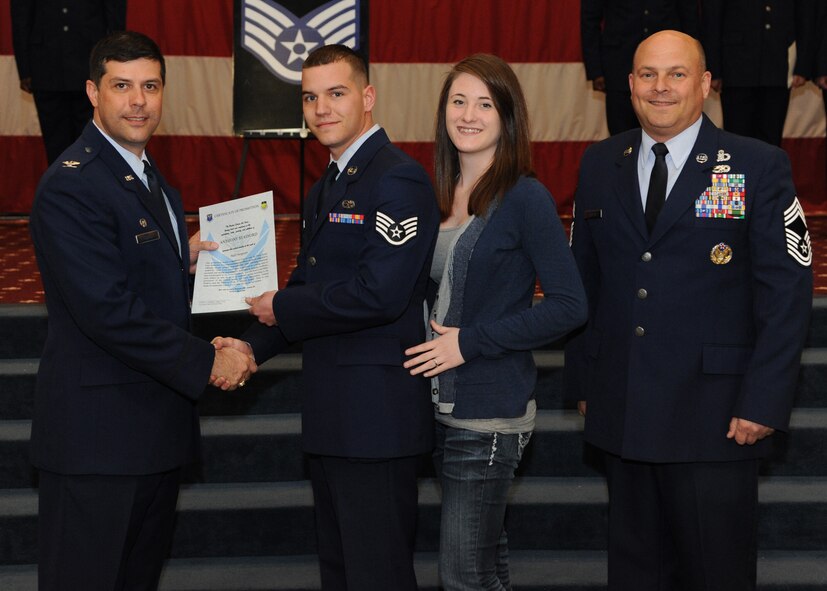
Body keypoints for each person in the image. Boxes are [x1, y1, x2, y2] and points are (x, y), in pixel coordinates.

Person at [564, 30, 812, 590]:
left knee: (715, 573)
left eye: (677, 74)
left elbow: (785, 295)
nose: (661, 87)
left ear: (704, 84)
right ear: (629, 85)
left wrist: (764, 400)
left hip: (717, 416)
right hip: (624, 407)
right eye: (647, 74)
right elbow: (585, 280)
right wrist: (585, 377)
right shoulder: (602, 161)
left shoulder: (756, 165)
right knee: (635, 574)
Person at [28, 31, 257, 591]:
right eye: (122, 86)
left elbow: (131, 268)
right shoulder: (71, 185)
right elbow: (107, 309)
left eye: (150, 86)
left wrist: (185, 255)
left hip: (151, 433)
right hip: (97, 443)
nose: (138, 101)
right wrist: (209, 360)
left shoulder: (150, 178)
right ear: (92, 92)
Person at [212, 45, 439, 590]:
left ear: (367, 97)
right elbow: (303, 289)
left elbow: (379, 295)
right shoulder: (326, 186)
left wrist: (283, 307)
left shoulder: (396, 178)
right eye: (310, 97)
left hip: (377, 419)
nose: (321, 109)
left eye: (336, 94)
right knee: (341, 573)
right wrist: (248, 348)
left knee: (377, 574)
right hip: (334, 413)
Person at [402, 54, 587, 590]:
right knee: (485, 568)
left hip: (487, 416)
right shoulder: (433, 194)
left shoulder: (525, 197)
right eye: (458, 102)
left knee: (462, 578)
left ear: (508, 117)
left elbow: (570, 304)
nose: (468, 114)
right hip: (436, 409)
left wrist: (472, 343)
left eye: (485, 104)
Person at [10, 0, 126, 164]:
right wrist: (24, 70)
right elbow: (20, 17)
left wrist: (114, 66)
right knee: (56, 146)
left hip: (90, 65)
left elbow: (115, 18)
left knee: (92, 144)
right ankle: (60, 189)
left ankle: (91, 189)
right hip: (46, 67)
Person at [581, 0, 699, 136]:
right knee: (621, 136)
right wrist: (595, 70)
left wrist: (693, 67)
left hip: (668, 66)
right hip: (618, 66)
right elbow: (589, 21)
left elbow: (690, 19)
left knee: (669, 131)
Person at [702, 0, 809, 147]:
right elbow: (712, 18)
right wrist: (714, 69)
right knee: (737, 139)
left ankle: (769, 171)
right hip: (735, 66)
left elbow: (804, 16)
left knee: (771, 139)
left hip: (778, 63)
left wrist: (802, 66)